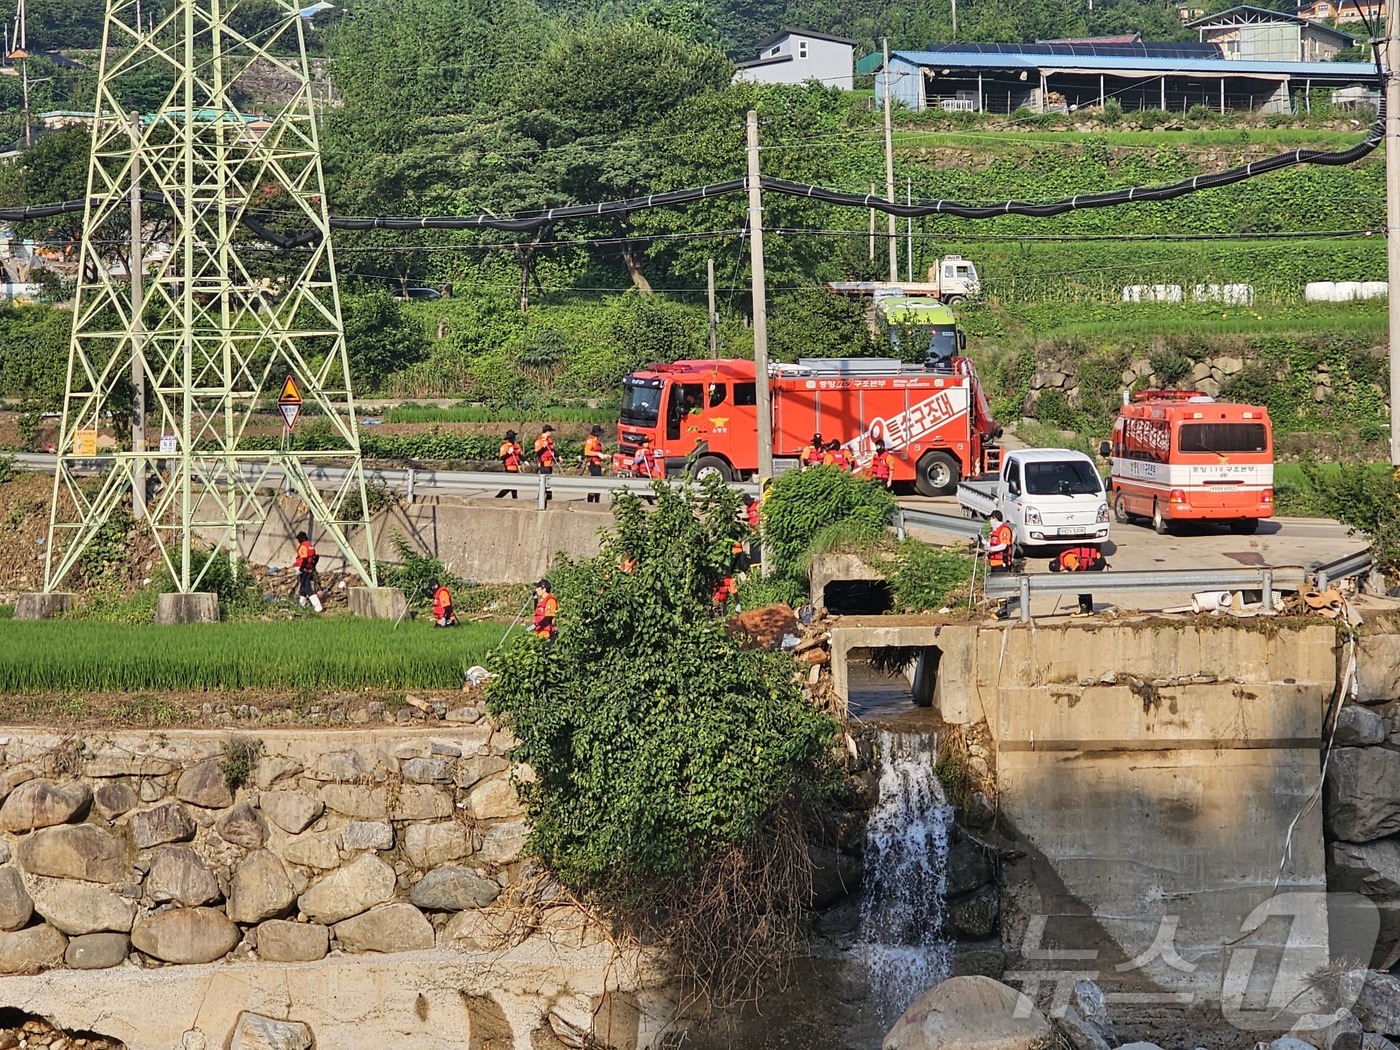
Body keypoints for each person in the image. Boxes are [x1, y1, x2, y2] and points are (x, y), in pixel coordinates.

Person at [1049, 546, 1107, 616]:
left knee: (1081, 583)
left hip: (1097, 562)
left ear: (1058, 566)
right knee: (1084, 584)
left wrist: (1074, 576)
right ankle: (1089, 609)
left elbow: (1077, 566)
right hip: (1098, 561)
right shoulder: (1064, 559)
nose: (1061, 570)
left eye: (1059, 570)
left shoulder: (1067, 559)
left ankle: (1084, 610)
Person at [293, 531, 322, 612]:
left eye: (299, 539)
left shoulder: (303, 547)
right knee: (303, 587)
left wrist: (301, 569)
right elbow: (314, 558)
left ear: (302, 539)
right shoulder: (310, 546)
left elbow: (304, 559)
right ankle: (301, 606)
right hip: (310, 568)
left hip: (304, 569)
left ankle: (318, 606)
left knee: (307, 587)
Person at [582, 425, 606, 503]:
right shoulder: (590, 440)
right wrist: (598, 454)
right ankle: (591, 500)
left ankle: (596, 499)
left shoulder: (596, 440)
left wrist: (604, 456)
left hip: (597, 463)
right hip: (593, 464)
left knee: (598, 482)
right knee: (596, 481)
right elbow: (587, 452)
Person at [496, 430, 522, 499]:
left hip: (515, 467)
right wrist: (509, 453)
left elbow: (520, 455)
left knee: (513, 486)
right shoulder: (505, 446)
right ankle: (499, 497)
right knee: (510, 486)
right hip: (509, 468)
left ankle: (515, 499)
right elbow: (502, 457)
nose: (514, 438)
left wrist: (523, 461)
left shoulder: (517, 445)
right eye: (512, 437)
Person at [533, 578, 558, 644]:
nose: (536, 590)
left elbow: (548, 617)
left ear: (544, 589)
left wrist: (536, 625)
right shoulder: (542, 600)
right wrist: (535, 599)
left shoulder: (550, 601)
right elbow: (538, 611)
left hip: (548, 635)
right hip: (540, 634)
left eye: (538, 587)